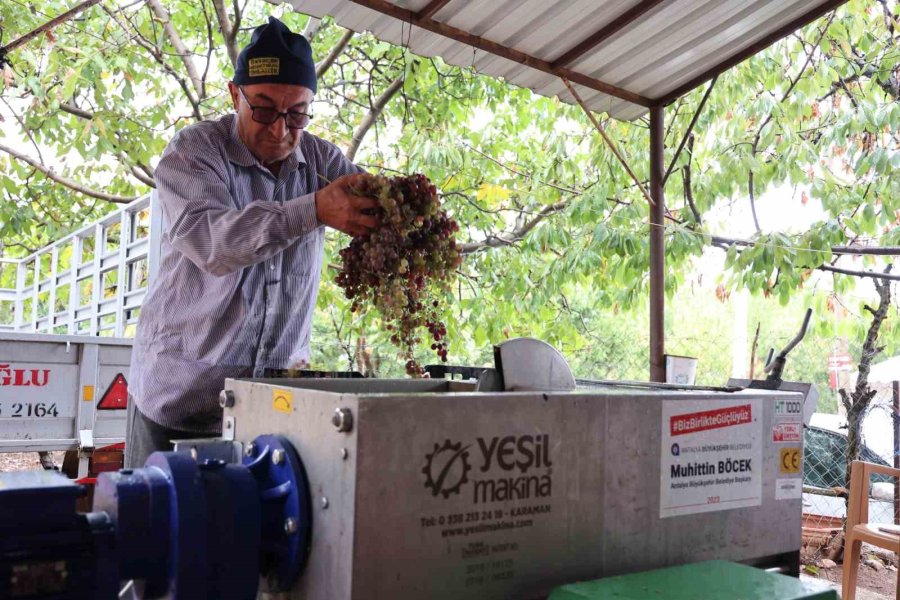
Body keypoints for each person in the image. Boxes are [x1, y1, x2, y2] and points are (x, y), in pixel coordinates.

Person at [125, 17, 378, 468]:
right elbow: (214, 244)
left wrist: (401, 215)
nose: (279, 129)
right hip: (181, 405)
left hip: (272, 412)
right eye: (263, 109)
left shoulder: (322, 161)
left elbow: (370, 208)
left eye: (296, 114)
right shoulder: (194, 152)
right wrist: (313, 210)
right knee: (165, 514)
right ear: (234, 95)